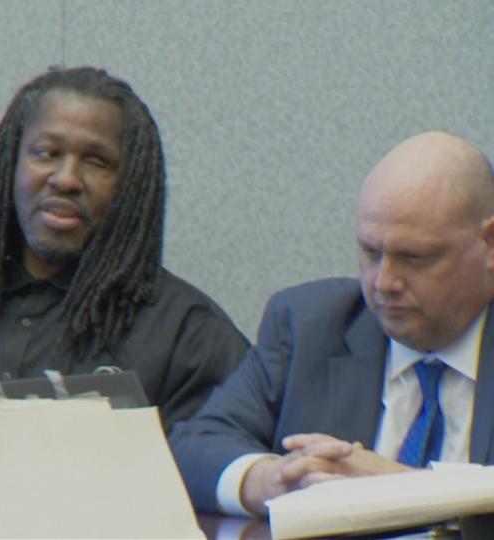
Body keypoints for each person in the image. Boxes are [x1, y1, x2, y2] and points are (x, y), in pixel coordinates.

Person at [171, 130, 494, 517]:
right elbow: (194, 446)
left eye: (415, 257)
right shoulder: (308, 324)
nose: (383, 282)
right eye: (371, 252)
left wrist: (404, 489)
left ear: (489, 244)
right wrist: (274, 480)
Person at [0, 66, 249, 432]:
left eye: (96, 162)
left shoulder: (193, 337)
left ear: (130, 185)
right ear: (10, 163)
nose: (66, 179)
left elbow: (212, 472)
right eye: (46, 153)